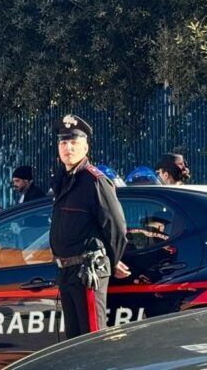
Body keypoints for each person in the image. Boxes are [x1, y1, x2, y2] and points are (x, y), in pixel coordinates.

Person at [49, 114, 130, 338]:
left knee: (92, 340)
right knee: (73, 341)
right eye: (63, 143)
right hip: (66, 272)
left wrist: (110, 261)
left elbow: (116, 227)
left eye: (74, 142)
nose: (68, 148)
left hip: (88, 272)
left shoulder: (94, 181)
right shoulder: (63, 180)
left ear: (85, 147)